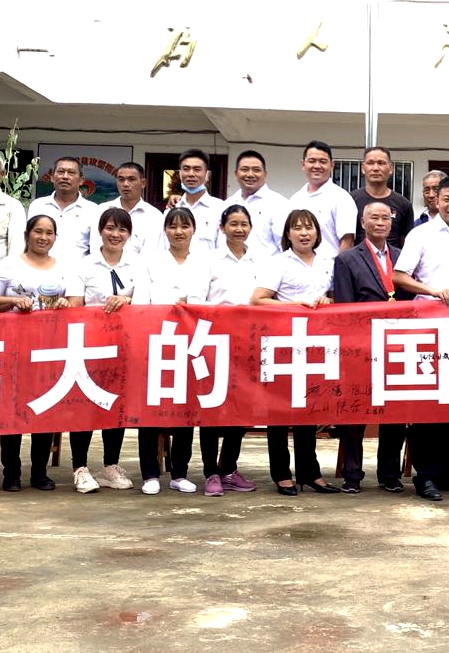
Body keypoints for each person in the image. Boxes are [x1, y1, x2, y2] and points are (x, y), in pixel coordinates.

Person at [0, 214, 85, 492]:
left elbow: (77, 299)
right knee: (13, 410)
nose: (43, 237)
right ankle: (11, 472)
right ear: (27, 234)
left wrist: (67, 304)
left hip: (52, 347)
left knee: (45, 409)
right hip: (14, 347)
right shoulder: (8, 265)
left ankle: (39, 472)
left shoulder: (65, 266)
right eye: (38, 231)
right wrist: (13, 301)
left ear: (55, 237)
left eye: (49, 233)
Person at [393, 176, 449, 500]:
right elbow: (399, 276)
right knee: (427, 402)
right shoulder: (421, 234)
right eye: (447, 200)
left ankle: (446, 471)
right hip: (426, 327)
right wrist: (431, 291)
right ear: (436, 201)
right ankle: (425, 475)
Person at [251, 208, 339, 494]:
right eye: (297, 228)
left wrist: (328, 301)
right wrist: (295, 305)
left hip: (315, 345)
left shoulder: (328, 261)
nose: (304, 233)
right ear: (288, 234)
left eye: (309, 227)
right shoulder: (279, 263)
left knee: (308, 411)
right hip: (282, 344)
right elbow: (258, 299)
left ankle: (310, 472)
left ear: (317, 233)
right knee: (279, 413)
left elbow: (335, 297)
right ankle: (281, 474)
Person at [331, 200, 410, 494]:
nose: (380, 222)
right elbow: (344, 307)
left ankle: (389, 473)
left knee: (395, 412)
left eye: (385, 218)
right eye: (373, 217)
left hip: (397, 346)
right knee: (355, 412)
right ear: (362, 223)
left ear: (392, 222)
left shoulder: (402, 257)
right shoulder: (347, 259)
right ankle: (352, 474)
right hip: (360, 347)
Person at [132, 207, 211, 494]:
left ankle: (179, 473)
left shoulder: (204, 262)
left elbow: (206, 302)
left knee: (185, 409)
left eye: (185, 226)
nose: (179, 232)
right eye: (173, 226)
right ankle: (150, 474)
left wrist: (189, 305)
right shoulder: (150, 261)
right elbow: (141, 302)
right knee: (150, 410)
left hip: (190, 343)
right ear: (165, 230)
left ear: (193, 230)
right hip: (156, 341)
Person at [71, 207, 141, 494]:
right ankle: (79, 467)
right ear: (100, 230)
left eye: (122, 229)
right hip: (89, 344)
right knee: (85, 404)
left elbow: (146, 302)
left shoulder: (137, 265)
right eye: (110, 228)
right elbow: (74, 304)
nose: (116, 234)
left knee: (115, 404)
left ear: (129, 234)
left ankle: (110, 465)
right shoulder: (84, 265)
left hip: (124, 345)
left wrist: (127, 302)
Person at [197, 204, 260, 495]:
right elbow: (197, 300)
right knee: (211, 409)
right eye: (233, 223)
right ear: (222, 228)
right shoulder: (209, 260)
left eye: (243, 224)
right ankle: (210, 472)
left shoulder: (259, 260)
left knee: (240, 408)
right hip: (214, 342)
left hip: (247, 343)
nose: (238, 229)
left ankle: (229, 469)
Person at [288, 140, 356, 258]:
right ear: (303, 164)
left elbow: (347, 242)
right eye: (312, 161)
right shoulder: (295, 199)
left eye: (323, 161)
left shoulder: (341, 198)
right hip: (297, 266)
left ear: (332, 165)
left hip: (330, 267)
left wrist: (339, 268)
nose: (317, 166)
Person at [220, 150, 288, 258]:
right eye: (244, 169)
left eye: (256, 170)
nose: (250, 174)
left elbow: (285, 245)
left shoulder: (279, 204)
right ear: (236, 174)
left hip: (267, 267)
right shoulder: (227, 204)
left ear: (265, 174)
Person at [27, 156, 94, 261]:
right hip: (40, 268)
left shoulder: (93, 210)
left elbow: (96, 248)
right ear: (52, 177)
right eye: (61, 172)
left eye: (71, 173)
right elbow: (28, 241)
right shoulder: (38, 206)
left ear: (81, 180)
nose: (65, 177)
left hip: (77, 270)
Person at [91, 162, 162, 257]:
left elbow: (152, 252)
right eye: (121, 179)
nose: (125, 184)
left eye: (131, 179)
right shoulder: (102, 210)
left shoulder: (154, 215)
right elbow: (95, 245)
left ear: (143, 183)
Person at [351, 146, 415, 248]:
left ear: (391, 168)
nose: (375, 168)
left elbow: (406, 245)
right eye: (370, 163)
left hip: (392, 258)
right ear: (363, 168)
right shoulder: (350, 200)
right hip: (357, 257)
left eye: (381, 163)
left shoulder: (403, 204)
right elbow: (346, 239)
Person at [173, 148, 228, 248]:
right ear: (180, 174)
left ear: (207, 174)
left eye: (197, 169)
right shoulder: (173, 208)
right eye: (186, 169)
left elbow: (223, 248)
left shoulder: (220, 208)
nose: (191, 174)